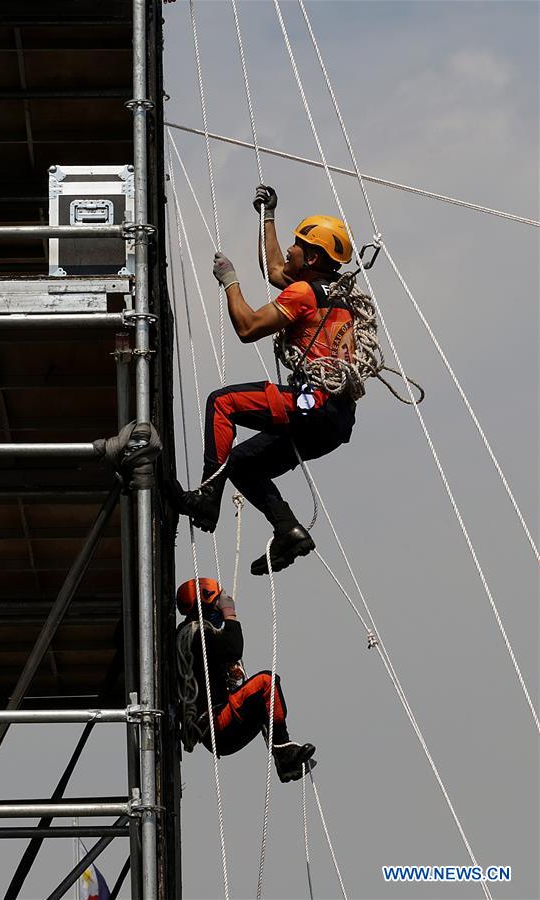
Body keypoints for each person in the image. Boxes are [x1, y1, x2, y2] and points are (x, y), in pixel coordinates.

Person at [171, 185, 357, 576]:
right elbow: (276, 270)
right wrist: (267, 215)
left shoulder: (306, 292)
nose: (289, 249)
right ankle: (288, 530)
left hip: (314, 404)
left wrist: (230, 282)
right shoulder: (334, 293)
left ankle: (207, 496)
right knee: (241, 464)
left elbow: (248, 326)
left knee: (223, 403)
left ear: (313, 257)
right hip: (335, 420)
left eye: (296, 244)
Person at [175, 577, 316, 783]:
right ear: (205, 601)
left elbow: (216, 659)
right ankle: (283, 750)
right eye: (217, 600)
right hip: (216, 725)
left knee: (263, 701)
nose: (222, 603)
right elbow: (233, 648)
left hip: (219, 725)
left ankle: (285, 762)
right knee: (266, 682)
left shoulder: (198, 636)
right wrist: (230, 615)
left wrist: (227, 673)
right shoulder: (196, 635)